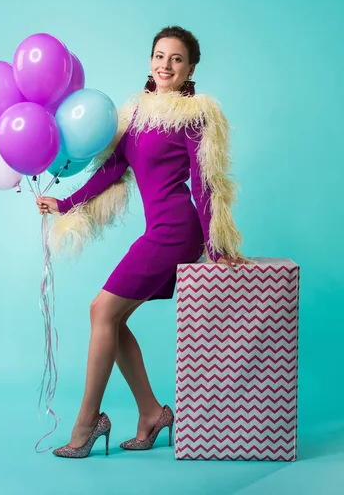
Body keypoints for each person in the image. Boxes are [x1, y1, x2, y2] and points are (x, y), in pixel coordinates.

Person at [36, 25, 247, 458]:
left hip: (176, 232)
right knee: (112, 320)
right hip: (158, 232)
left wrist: (218, 247)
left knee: (101, 311)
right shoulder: (135, 114)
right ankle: (152, 413)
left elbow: (207, 183)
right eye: (158, 56)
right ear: (149, 60)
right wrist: (66, 205)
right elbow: (112, 170)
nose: (165, 65)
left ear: (190, 69)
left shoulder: (195, 115)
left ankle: (87, 423)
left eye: (176, 59)